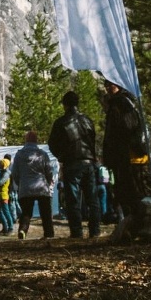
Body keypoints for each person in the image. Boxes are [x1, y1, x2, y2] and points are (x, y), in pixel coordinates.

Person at [48, 89, 101, 238]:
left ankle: (77, 232)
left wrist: (61, 157)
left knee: (73, 200)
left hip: (72, 163)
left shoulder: (61, 122)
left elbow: (52, 144)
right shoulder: (87, 120)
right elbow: (93, 140)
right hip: (89, 162)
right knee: (93, 199)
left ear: (65, 105)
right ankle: (95, 230)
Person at [101, 80, 149, 224]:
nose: (109, 88)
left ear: (119, 85)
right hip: (122, 157)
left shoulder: (122, 103)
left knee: (130, 191)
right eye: (106, 86)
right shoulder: (119, 103)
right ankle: (132, 223)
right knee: (124, 192)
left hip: (127, 157)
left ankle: (137, 223)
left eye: (111, 85)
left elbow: (130, 129)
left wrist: (123, 151)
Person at [13, 130, 57, 240]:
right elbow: (49, 170)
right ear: (36, 140)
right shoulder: (42, 154)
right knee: (46, 213)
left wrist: (20, 183)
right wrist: (48, 180)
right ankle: (49, 233)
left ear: (26, 140)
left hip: (25, 187)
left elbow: (15, 173)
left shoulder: (19, 155)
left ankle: (23, 230)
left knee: (26, 212)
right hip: (41, 186)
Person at [0, 156, 17, 233]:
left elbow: (0, 183)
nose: (0, 166)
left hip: (3, 195)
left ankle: (11, 228)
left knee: (6, 212)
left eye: (1, 165)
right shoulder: (2, 173)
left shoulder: (6, 174)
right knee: (0, 212)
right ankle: (5, 228)